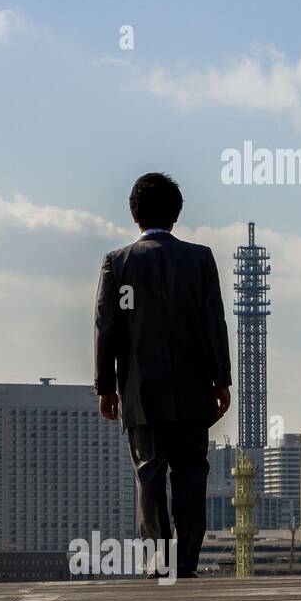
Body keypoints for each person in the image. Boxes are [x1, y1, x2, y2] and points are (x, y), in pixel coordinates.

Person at [93, 172, 232, 580]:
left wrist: (106, 387)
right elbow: (214, 323)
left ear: (133, 214)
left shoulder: (118, 264)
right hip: (193, 390)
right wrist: (221, 380)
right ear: (177, 213)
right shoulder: (200, 259)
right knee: (191, 475)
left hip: (141, 390)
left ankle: (161, 563)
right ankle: (186, 560)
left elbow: (107, 328)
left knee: (149, 474)